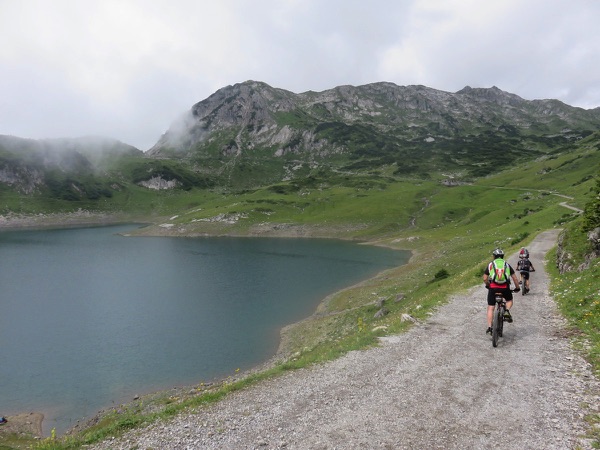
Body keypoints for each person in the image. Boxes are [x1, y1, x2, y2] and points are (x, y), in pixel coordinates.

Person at [483, 248, 520, 335]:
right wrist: (517, 287)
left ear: (494, 256)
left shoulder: (491, 264)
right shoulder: (506, 265)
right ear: (502, 256)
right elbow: (514, 278)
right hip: (505, 288)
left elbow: (485, 278)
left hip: (493, 288)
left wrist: (488, 285)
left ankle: (489, 327)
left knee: (491, 307)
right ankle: (506, 310)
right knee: (509, 300)